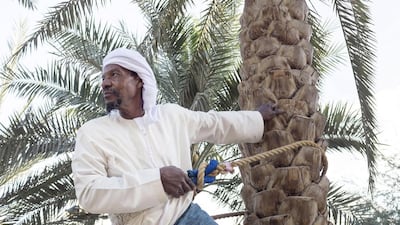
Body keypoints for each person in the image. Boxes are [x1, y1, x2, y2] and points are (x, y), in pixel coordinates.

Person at [71, 48, 282, 225]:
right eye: (103, 78)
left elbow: (215, 124)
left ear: (139, 80)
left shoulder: (170, 116)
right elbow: (90, 193)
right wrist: (158, 181)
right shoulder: (92, 133)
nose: (105, 83)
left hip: (189, 217)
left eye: (114, 75)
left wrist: (257, 118)